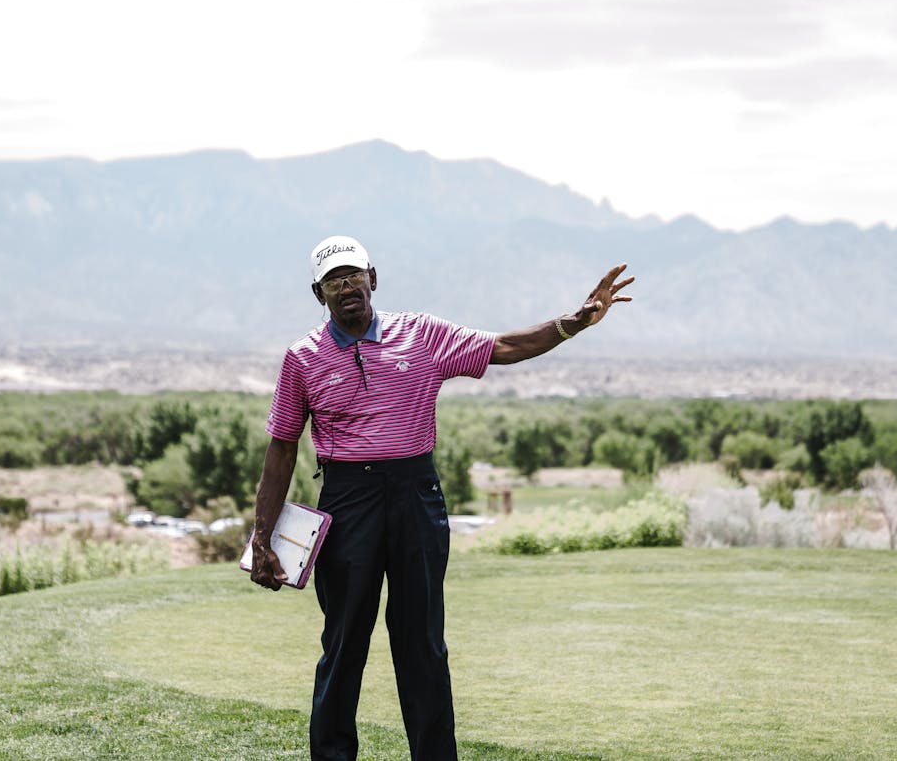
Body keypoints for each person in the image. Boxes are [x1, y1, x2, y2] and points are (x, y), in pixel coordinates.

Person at [250, 235, 633, 760]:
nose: (346, 287)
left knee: (422, 644)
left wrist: (572, 322)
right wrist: (262, 534)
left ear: (373, 278)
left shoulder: (422, 335)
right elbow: (282, 448)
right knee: (342, 645)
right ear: (318, 293)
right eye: (333, 281)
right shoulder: (302, 359)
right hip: (347, 500)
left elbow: (505, 348)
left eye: (353, 275)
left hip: (415, 495)